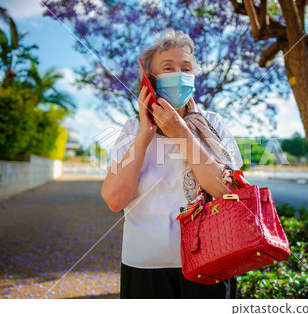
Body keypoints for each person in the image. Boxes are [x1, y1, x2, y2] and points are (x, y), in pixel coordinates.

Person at [101, 29, 243, 299]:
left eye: (186, 68)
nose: (179, 74)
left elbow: (228, 192)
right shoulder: (132, 129)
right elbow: (115, 199)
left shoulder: (214, 123)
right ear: (151, 81)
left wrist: (182, 133)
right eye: (168, 68)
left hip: (211, 262)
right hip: (145, 265)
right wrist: (145, 133)